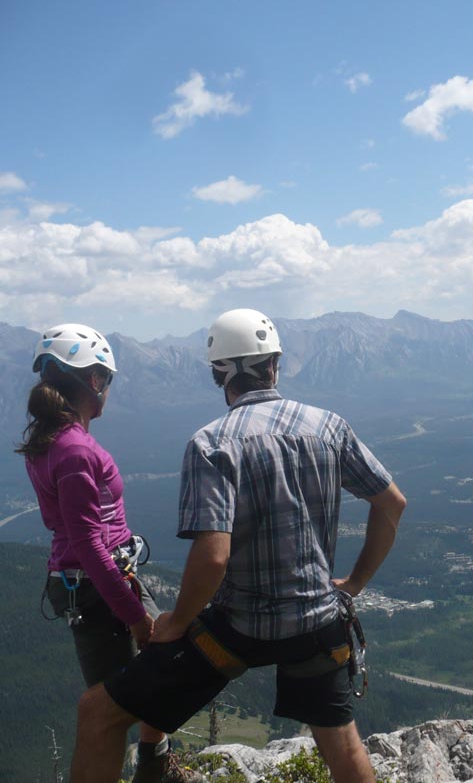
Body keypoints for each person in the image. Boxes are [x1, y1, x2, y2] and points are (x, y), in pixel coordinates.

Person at [70, 308, 406, 783]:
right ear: (275, 364)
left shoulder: (212, 443)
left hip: (236, 629)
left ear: (218, 374)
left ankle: (149, 761)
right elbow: (392, 503)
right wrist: (353, 584)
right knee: (341, 743)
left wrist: (177, 623)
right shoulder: (328, 426)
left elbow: (214, 556)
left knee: (97, 713)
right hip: (316, 623)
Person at [17, 323, 190, 783]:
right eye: (107, 380)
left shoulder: (55, 442)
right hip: (97, 585)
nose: (109, 390)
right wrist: (133, 613)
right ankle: (150, 765)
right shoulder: (73, 451)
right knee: (113, 706)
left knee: (158, 668)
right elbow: (88, 544)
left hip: (97, 582)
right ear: (94, 382)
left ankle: (154, 762)